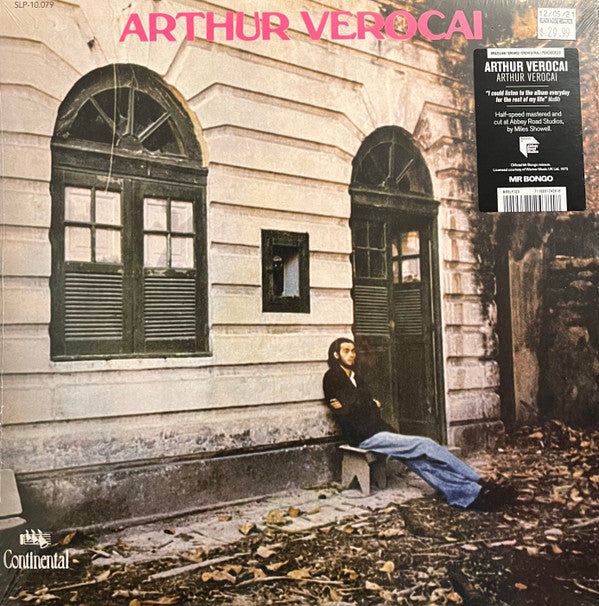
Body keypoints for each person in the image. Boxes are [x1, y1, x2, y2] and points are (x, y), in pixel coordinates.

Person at [323, 337, 516, 510]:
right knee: (426, 444)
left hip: (378, 431)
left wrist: (365, 405)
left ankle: (469, 494)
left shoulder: (356, 378)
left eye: (353, 351)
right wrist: (368, 404)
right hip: (362, 437)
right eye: (346, 351)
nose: (352, 354)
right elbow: (348, 411)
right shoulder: (332, 377)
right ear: (336, 355)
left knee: (419, 462)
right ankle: (479, 482)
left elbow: (364, 407)